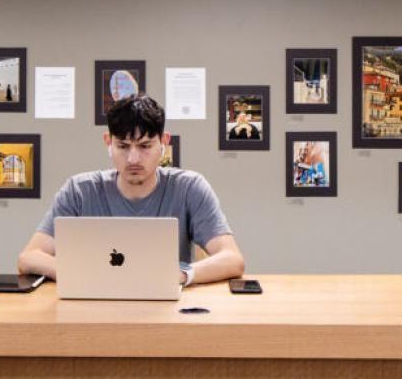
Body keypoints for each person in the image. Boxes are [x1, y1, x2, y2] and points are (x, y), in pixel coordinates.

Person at [18, 94, 245, 286]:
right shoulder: (79, 190)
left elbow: (232, 259)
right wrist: (88, 275)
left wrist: (180, 275)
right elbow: (29, 257)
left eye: (145, 146)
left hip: (165, 310)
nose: (133, 158)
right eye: (123, 146)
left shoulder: (189, 187)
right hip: (94, 308)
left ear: (163, 142)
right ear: (108, 142)